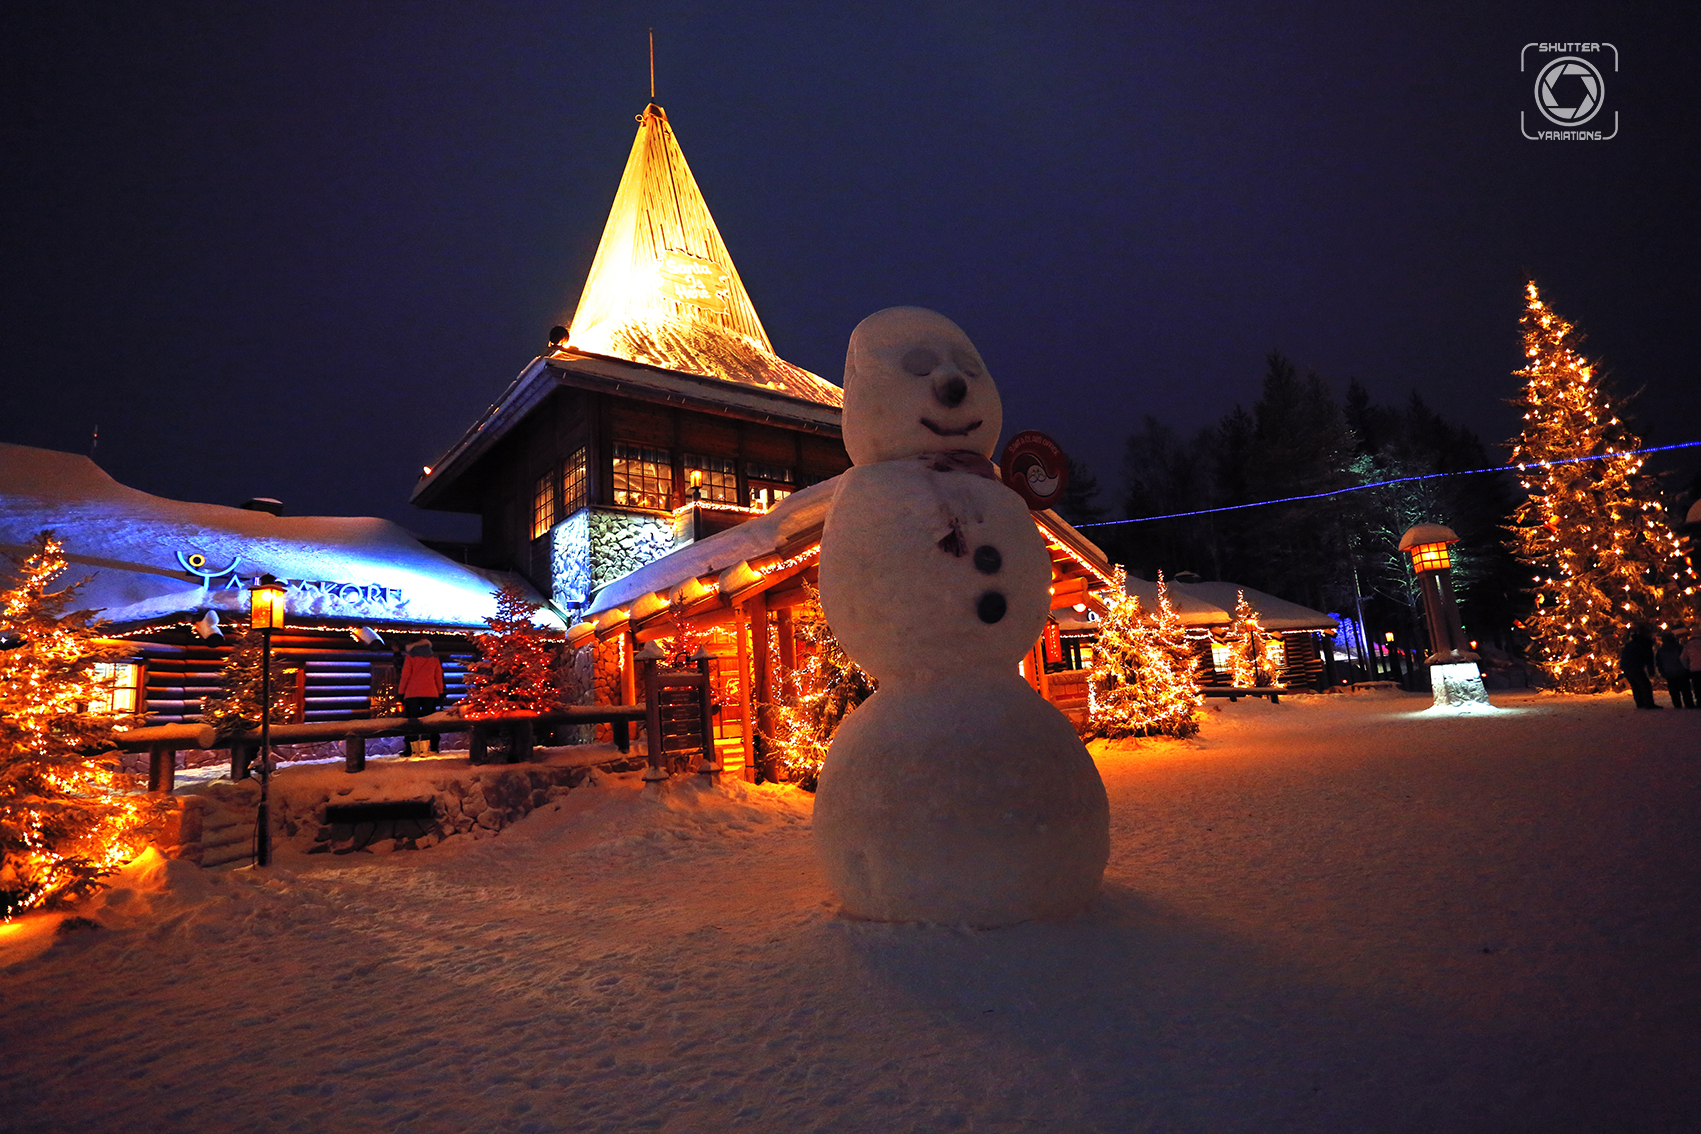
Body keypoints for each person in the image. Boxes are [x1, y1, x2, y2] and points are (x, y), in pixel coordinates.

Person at [398, 638, 446, 755]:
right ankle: (428, 749)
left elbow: (405, 676)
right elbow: (438, 676)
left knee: (412, 721)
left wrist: (401, 692)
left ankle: (413, 749)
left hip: (412, 693)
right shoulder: (434, 658)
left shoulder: (410, 657)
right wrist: (440, 692)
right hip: (430, 693)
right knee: (429, 721)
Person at [1619, 625, 1659, 709]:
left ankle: (1640, 702)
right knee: (1645, 684)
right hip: (1635, 666)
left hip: (1627, 666)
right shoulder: (1646, 644)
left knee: (1635, 685)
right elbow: (1649, 659)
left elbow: (1625, 654)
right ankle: (1648, 703)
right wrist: (1651, 671)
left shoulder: (1632, 643)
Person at [1656, 631, 1694, 709]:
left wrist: (1662, 672)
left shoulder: (1661, 650)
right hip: (1681, 671)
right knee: (1685, 689)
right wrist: (1688, 669)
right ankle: (1689, 704)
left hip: (1669, 673)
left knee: (1674, 691)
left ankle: (1677, 705)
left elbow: (1659, 662)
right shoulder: (1679, 647)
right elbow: (1686, 658)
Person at [1681, 630, 1701, 709]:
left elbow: (1683, 658)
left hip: (1694, 668)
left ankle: (1699, 701)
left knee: (1697, 687)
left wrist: (1687, 666)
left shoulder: (1688, 645)